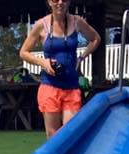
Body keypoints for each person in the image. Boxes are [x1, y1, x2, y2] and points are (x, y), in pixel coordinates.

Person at [19, 0, 101, 139]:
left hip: (71, 86)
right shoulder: (41, 25)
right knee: (52, 135)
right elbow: (23, 52)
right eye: (56, 0)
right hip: (50, 86)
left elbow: (95, 39)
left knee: (70, 133)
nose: (60, 3)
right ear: (49, 2)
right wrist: (43, 62)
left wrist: (81, 58)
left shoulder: (77, 22)